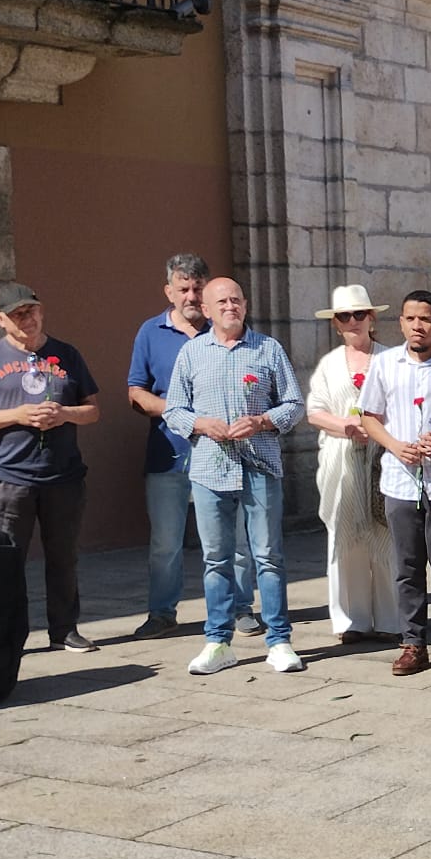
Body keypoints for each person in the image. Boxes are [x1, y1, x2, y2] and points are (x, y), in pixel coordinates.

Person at [163, 277, 305, 674]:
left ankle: (279, 640)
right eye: (222, 301)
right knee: (216, 559)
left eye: (237, 300)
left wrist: (262, 420)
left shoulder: (268, 349)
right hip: (210, 469)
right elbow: (173, 410)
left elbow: (294, 404)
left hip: (259, 467)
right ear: (206, 310)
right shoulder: (191, 354)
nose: (231, 307)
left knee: (269, 557)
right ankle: (218, 641)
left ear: (246, 304)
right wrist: (201, 423)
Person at [0, 284, 101, 652]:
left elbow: (93, 410)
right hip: (10, 478)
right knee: (5, 562)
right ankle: (6, 636)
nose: (28, 319)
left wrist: (64, 413)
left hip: (63, 476)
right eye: (18, 314)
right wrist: (17, 415)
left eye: (32, 310)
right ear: (0, 320)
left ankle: (65, 629)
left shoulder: (67, 354)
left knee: (63, 557)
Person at [127, 254, 256, 640]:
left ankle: (241, 608)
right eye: (183, 288)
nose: (191, 295)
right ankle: (162, 612)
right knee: (165, 541)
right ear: (169, 291)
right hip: (169, 453)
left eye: (197, 288)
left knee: (234, 538)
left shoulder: (228, 331)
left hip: (224, 455)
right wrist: (183, 414)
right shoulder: (150, 332)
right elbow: (136, 392)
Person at [359, 291, 431, 678]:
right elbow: (369, 416)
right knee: (407, 566)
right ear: (401, 323)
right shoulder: (385, 364)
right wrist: (394, 446)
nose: (417, 326)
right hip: (400, 480)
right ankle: (412, 642)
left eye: (425, 319)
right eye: (410, 319)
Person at [304, 283, 400, 642]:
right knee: (345, 541)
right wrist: (345, 426)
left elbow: (403, 406)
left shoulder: (391, 358)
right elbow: (315, 411)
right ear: (336, 323)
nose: (353, 321)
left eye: (359, 314)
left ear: (372, 317)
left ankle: (392, 619)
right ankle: (351, 621)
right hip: (342, 460)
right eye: (345, 316)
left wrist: (378, 430)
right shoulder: (329, 364)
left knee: (387, 536)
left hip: (382, 459)